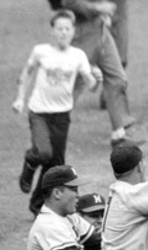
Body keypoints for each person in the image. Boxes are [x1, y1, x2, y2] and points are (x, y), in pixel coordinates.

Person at [13, 9, 102, 216]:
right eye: (59, 28)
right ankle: (29, 162)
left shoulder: (78, 55)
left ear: (73, 32)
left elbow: (91, 85)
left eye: (67, 29)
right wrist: (20, 98)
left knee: (55, 165)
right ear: (52, 31)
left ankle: (37, 206)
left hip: (62, 115)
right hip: (39, 112)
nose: (63, 32)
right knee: (43, 152)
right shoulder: (41, 51)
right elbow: (26, 74)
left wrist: (97, 80)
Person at [61, 0, 140, 147]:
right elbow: (68, 2)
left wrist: (103, 12)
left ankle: (119, 133)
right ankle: (51, 129)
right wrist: (98, 8)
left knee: (117, 78)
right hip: (82, 34)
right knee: (74, 84)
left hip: (101, 31)